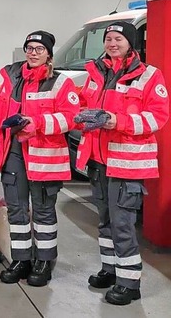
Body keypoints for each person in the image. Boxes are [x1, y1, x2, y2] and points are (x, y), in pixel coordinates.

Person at [75, 21, 169, 306]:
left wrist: (117, 121)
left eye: (118, 38)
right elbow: (83, 101)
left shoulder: (150, 75)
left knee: (123, 223)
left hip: (127, 163)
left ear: (131, 42)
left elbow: (158, 117)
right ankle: (110, 269)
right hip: (98, 160)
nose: (112, 43)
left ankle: (129, 283)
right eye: (108, 39)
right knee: (104, 220)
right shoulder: (96, 72)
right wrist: (80, 112)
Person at [0, 31, 79, 287]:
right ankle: (21, 259)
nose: (33, 52)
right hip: (13, 153)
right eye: (30, 48)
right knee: (16, 210)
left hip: (45, 157)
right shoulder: (11, 79)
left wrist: (38, 123)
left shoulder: (60, 83)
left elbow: (71, 117)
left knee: (44, 212)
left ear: (49, 54)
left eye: (39, 48)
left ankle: (44, 261)